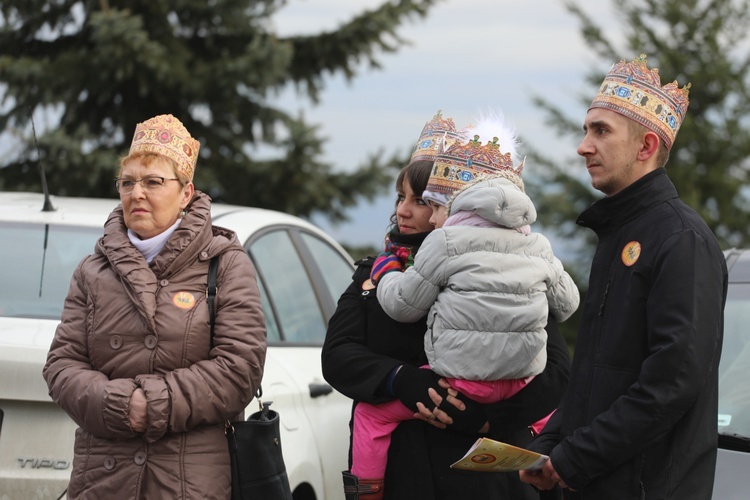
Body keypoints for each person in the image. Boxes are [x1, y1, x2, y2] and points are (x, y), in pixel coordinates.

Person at [322, 110, 572, 500]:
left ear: (453, 204)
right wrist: (399, 379)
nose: (403, 210)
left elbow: (555, 372)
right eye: (399, 198)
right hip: (407, 474)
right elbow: (338, 355)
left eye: (420, 200)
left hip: (492, 479)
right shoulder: (377, 273)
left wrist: (489, 417)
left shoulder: (508, 268)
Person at [519, 55, 728, 499]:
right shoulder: (620, 235)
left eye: (601, 131)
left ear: (646, 146)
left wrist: (576, 458)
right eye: (585, 130)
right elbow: (597, 375)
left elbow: (671, 382)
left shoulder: (681, 240)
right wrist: (552, 444)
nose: (583, 146)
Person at [43, 114, 267, 499]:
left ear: (186, 193)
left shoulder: (225, 263)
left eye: (153, 182)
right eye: (127, 183)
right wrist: (119, 404)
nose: (137, 194)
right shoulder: (92, 271)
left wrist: (155, 403)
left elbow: (240, 367)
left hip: (189, 481)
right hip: (102, 479)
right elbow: (62, 366)